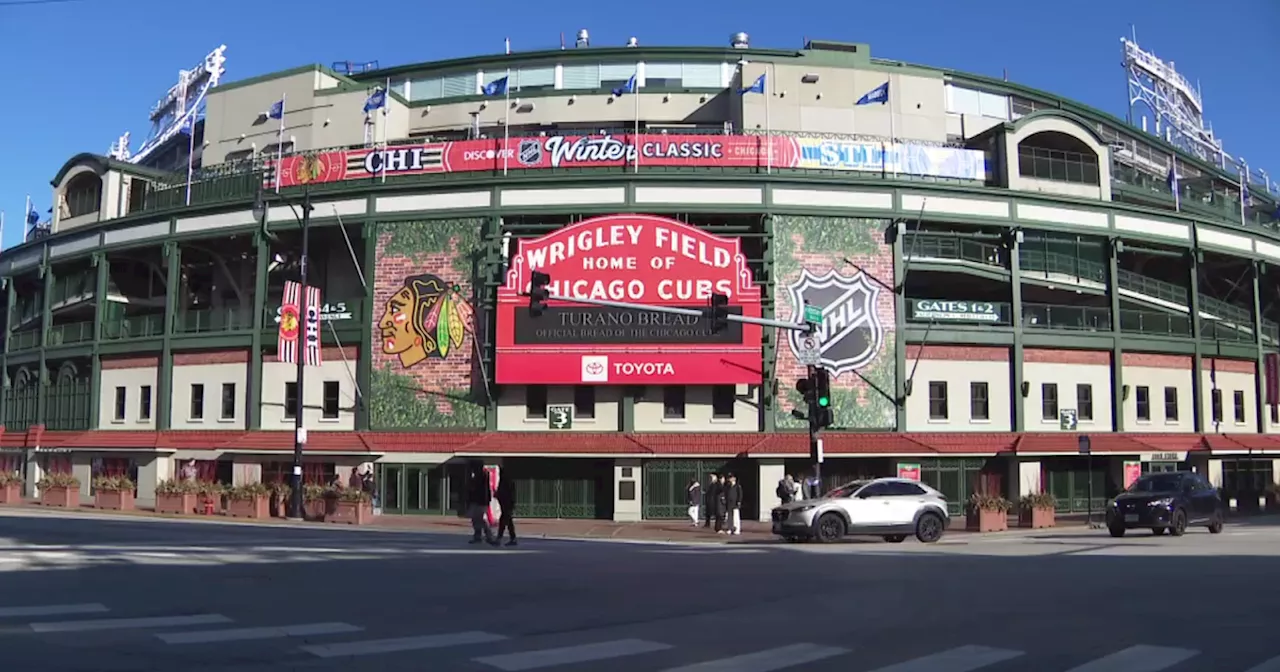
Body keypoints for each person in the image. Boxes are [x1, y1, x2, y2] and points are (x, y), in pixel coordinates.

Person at [466, 463, 498, 546]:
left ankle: (488, 536)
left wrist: (486, 500)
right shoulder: (478, 477)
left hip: (480, 501)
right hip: (477, 501)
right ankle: (479, 536)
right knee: (475, 519)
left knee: (479, 519)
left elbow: (483, 490)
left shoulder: (482, 477)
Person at [494, 476, 517, 547]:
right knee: (508, 520)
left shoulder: (506, 477)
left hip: (507, 502)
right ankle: (512, 538)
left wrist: (499, 494)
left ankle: (499, 538)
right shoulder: (505, 476)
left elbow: (507, 490)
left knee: (504, 520)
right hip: (506, 501)